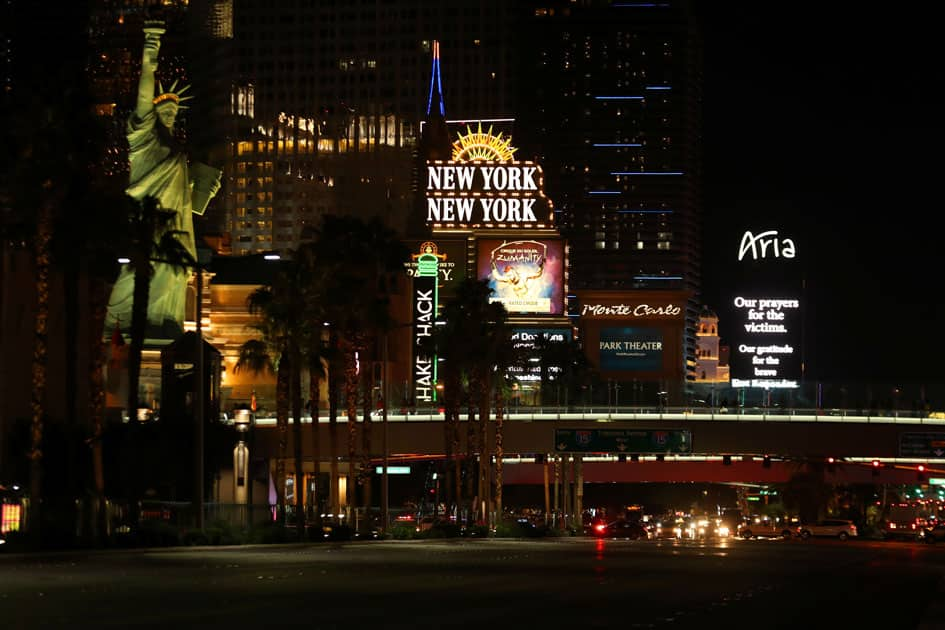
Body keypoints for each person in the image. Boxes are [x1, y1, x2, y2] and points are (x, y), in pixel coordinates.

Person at [105, 20, 222, 339]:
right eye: (163, 110)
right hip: (147, 228)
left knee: (172, 274)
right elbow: (144, 95)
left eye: (173, 112)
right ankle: (119, 322)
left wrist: (205, 189)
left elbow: (188, 202)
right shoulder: (143, 139)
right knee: (138, 275)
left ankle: (161, 327)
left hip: (176, 232)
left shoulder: (177, 151)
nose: (169, 115)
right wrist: (150, 49)